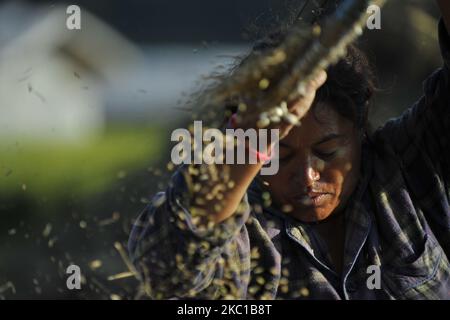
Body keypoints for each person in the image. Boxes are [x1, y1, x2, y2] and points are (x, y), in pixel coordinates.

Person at [128, 2, 450, 299]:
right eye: (280, 156)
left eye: (327, 151)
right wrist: (249, 136)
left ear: (360, 128)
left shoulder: (404, 170)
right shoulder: (248, 236)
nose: (308, 178)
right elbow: (164, 271)